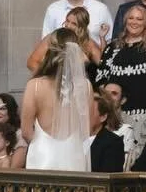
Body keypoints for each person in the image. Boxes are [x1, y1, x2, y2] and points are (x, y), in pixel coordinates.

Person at [20, 29, 92, 171]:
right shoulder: (86, 86)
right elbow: (86, 129)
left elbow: (26, 131)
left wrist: (42, 142)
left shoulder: (35, 86)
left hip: (43, 155)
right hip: (74, 155)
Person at [41, 0, 112, 48]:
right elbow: (45, 41)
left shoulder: (101, 9)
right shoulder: (53, 9)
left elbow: (110, 40)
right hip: (61, 58)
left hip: (93, 58)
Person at [88, 91, 128, 173]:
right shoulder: (74, 139)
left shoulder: (113, 143)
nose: (84, 115)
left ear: (103, 117)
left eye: (90, 111)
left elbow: (108, 177)